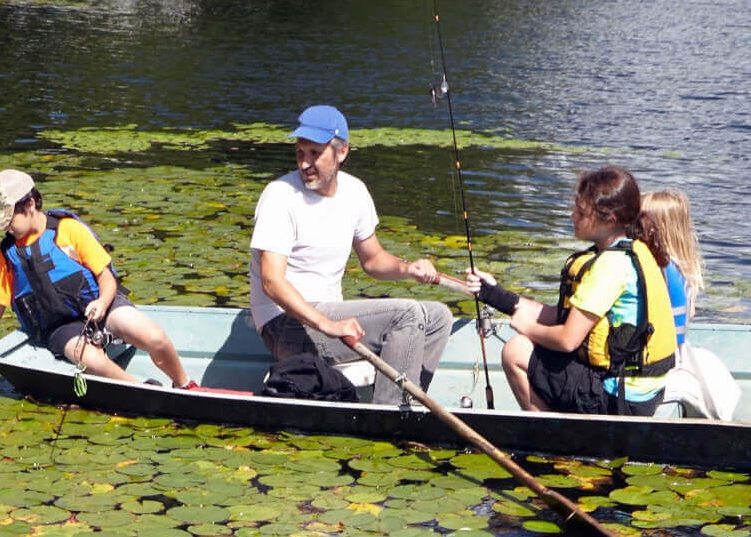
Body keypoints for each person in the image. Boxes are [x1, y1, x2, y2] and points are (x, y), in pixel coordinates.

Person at [248, 105, 454, 404]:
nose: (305, 163)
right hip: (286, 326)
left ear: (341, 151)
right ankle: (388, 416)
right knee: (407, 315)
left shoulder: (354, 192)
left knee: (438, 316)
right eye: (300, 153)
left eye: (314, 153)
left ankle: (407, 403)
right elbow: (271, 282)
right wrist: (327, 325)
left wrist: (409, 268)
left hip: (327, 315)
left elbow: (373, 260)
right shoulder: (279, 197)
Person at [0, 169, 190, 388]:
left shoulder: (68, 230)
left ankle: (184, 384)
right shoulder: (8, 254)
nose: (7, 228)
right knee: (92, 360)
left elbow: (106, 277)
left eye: (9, 219)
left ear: (29, 204)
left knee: (153, 337)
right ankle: (140, 390)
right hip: (61, 328)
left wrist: (101, 303)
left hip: (104, 305)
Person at [478, 166, 676, 416]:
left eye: (581, 212)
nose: (572, 216)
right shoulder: (635, 248)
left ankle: (556, 440)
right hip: (644, 391)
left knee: (516, 350)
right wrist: (497, 295)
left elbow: (566, 340)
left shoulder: (610, 266)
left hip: (619, 399)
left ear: (610, 218)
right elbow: (561, 316)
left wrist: (527, 328)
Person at [641, 187, 705, 349]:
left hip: (656, 357)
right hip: (677, 353)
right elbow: (690, 313)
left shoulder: (657, 267)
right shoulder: (685, 269)